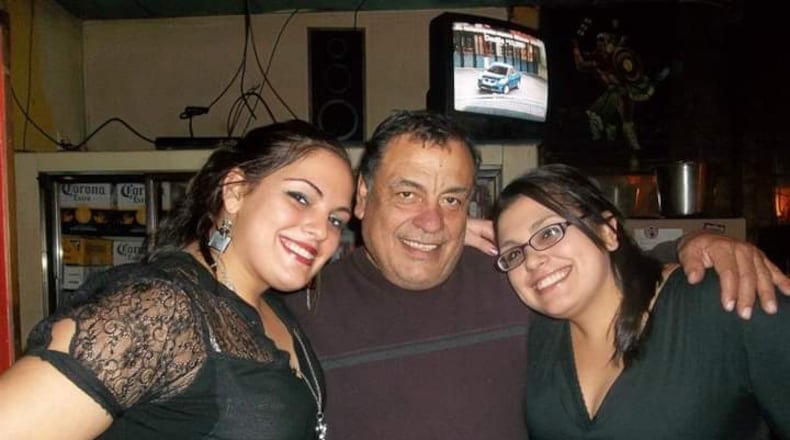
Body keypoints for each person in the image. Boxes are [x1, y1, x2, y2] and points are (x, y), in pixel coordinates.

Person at [285, 110, 790, 439]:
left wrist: (704, 244)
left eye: (453, 199)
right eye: (406, 193)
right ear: (363, 198)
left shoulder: (519, 290)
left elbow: (616, 279)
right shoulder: (297, 310)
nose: (432, 221)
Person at [0, 120, 355, 439]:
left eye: (336, 220)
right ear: (234, 191)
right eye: (300, 197)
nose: (320, 230)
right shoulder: (157, 308)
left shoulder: (271, 308)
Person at [494, 163, 790, 439]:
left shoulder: (722, 298)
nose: (531, 261)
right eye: (514, 253)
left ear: (607, 231)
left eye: (549, 232)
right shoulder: (533, 333)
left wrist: (694, 237)